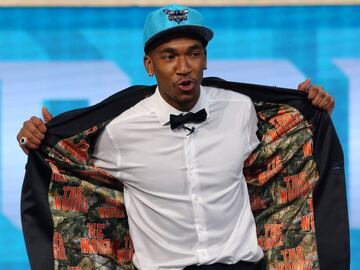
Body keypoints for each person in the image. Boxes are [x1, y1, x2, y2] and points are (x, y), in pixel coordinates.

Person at [17, 4, 344, 270]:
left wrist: (312, 106)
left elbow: (292, 137)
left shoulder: (243, 109)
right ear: (149, 64)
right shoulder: (118, 130)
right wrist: (37, 140)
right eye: (169, 56)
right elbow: (64, 162)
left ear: (205, 60)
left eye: (193, 53)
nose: (183, 66)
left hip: (241, 265)